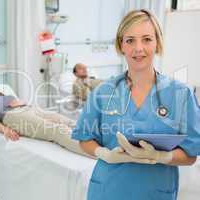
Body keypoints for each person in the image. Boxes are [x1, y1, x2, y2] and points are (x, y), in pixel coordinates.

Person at [72, 9, 200, 200]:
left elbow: (191, 155)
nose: (138, 48)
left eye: (147, 39)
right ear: (121, 45)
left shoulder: (181, 94)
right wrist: (104, 153)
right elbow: (85, 138)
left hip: (155, 192)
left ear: (157, 43)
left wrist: (162, 157)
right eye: (130, 40)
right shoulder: (103, 91)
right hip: (108, 190)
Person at [0, 81, 92, 158]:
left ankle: (100, 139)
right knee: (57, 130)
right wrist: (5, 130)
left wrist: (19, 103)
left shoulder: (2, 95)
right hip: (14, 116)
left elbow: (19, 102)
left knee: (66, 121)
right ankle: (96, 153)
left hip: (29, 109)